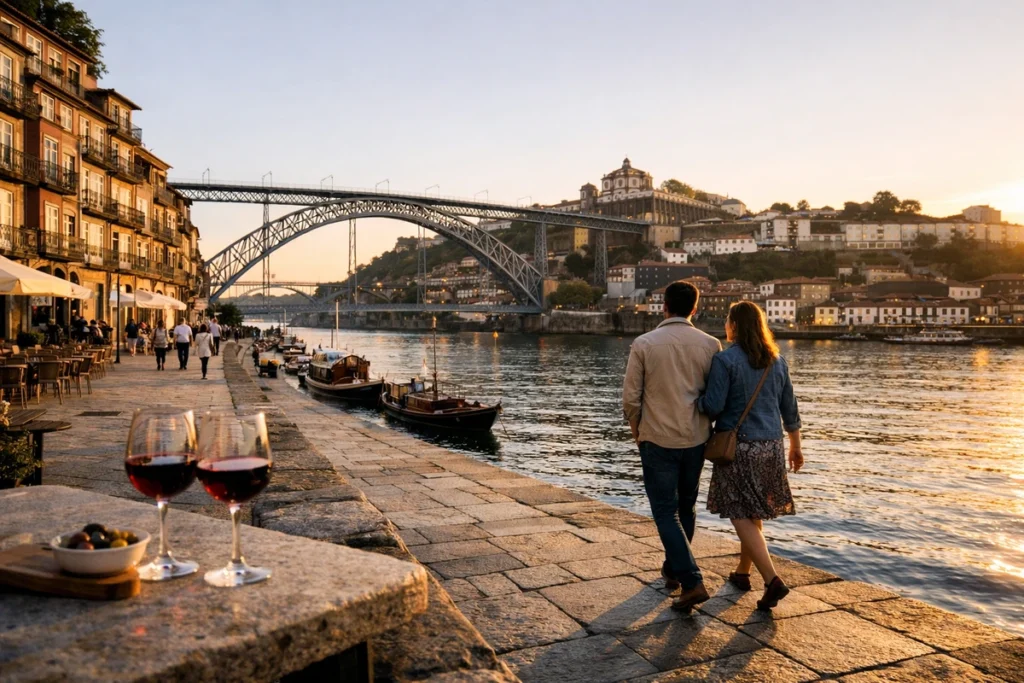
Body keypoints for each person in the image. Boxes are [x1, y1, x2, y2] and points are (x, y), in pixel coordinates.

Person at [622, 280, 722, 612]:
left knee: (665, 510)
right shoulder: (711, 345)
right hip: (695, 438)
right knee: (686, 508)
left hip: (657, 437)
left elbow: (631, 399)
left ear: (663, 306)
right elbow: (715, 396)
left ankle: (691, 580)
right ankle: (673, 570)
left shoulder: (644, 343)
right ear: (695, 308)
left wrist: (638, 433)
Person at [698, 301, 803, 611]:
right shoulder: (778, 361)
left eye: (728, 320)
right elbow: (790, 409)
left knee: (739, 511)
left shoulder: (725, 360)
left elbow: (713, 406)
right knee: (753, 508)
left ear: (734, 325)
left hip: (739, 447)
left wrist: (696, 399)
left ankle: (772, 580)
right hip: (771, 446)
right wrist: (796, 445)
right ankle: (743, 572)